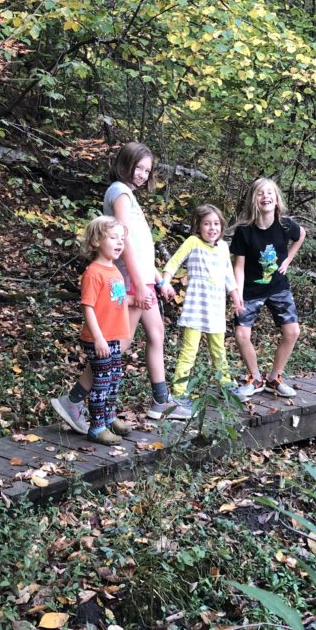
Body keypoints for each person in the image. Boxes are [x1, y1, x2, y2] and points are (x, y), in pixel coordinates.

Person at [52, 142, 189, 424]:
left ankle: (161, 401)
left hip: (141, 280)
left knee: (157, 333)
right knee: (119, 345)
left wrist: (159, 280)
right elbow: (124, 239)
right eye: (138, 167)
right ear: (125, 163)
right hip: (129, 282)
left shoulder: (130, 196)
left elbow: (139, 246)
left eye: (146, 170)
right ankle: (74, 400)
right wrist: (140, 285)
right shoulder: (120, 192)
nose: (141, 174)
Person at [53, 216, 132, 446]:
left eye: (122, 239)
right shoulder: (93, 272)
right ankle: (97, 427)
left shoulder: (114, 271)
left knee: (115, 378)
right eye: (113, 237)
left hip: (114, 336)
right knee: (102, 380)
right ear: (97, 241)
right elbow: (88, 307)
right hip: (99, 338)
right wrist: (98, 337)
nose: (119, 243)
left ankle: (109, 417)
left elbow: (116, 301)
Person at [159, 204, 244, 411]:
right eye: (207, 224)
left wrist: (236, 297)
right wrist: (165, 281)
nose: (212, 228)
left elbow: (228, 275)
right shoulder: (193, 242)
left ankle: (225, 383)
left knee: (218, 349)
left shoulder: (223, 247)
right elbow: (173, 262)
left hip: (216, 308)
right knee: (189, 351)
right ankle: (179, 392)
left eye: (216, 224)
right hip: (196, 307)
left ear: (222, 227)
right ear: (198, 226)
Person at [231, 178, 306, 398]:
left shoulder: (284, 224)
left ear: (276, 198)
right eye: (261, 193)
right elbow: (240, 267)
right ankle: (255, 378)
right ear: (254, 199)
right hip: (251, 290)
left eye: (270, 193)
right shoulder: (244, 231)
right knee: (241, 334)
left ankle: (274, 378)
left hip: (278, 288)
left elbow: (301, 234)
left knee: (292, 332)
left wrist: (288, 259)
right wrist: (238, 295)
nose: (266, 197)